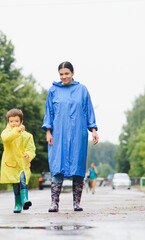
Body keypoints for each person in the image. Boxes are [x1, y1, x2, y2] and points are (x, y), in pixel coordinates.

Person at [42, 61, 99, 212]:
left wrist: (93, 130)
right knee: (57, 166)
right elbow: (49, 112)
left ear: (73, 73)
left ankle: (77, 203)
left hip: (77, 134)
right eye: (61, 74)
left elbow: (89, 111)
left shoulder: (82, 90)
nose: (64, 76)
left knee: (78, 167)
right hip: (58, 134)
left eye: (67, 73)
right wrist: (48, 131)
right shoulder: (53, 90)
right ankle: (54, 203)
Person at [0, 108, 36, 213]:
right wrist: (17, 130)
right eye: (11, 121)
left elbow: (31, 149)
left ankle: (25, 200)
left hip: (23, 164)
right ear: (8, 122)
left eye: (16, 121)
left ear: (21, 122)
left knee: (23, 180)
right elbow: (7, 139)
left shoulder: (28, 136)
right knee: (16, 185)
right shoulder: (5, 133)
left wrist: (28, 155)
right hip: (11, 164)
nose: (14, 123)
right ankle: (17, 203)